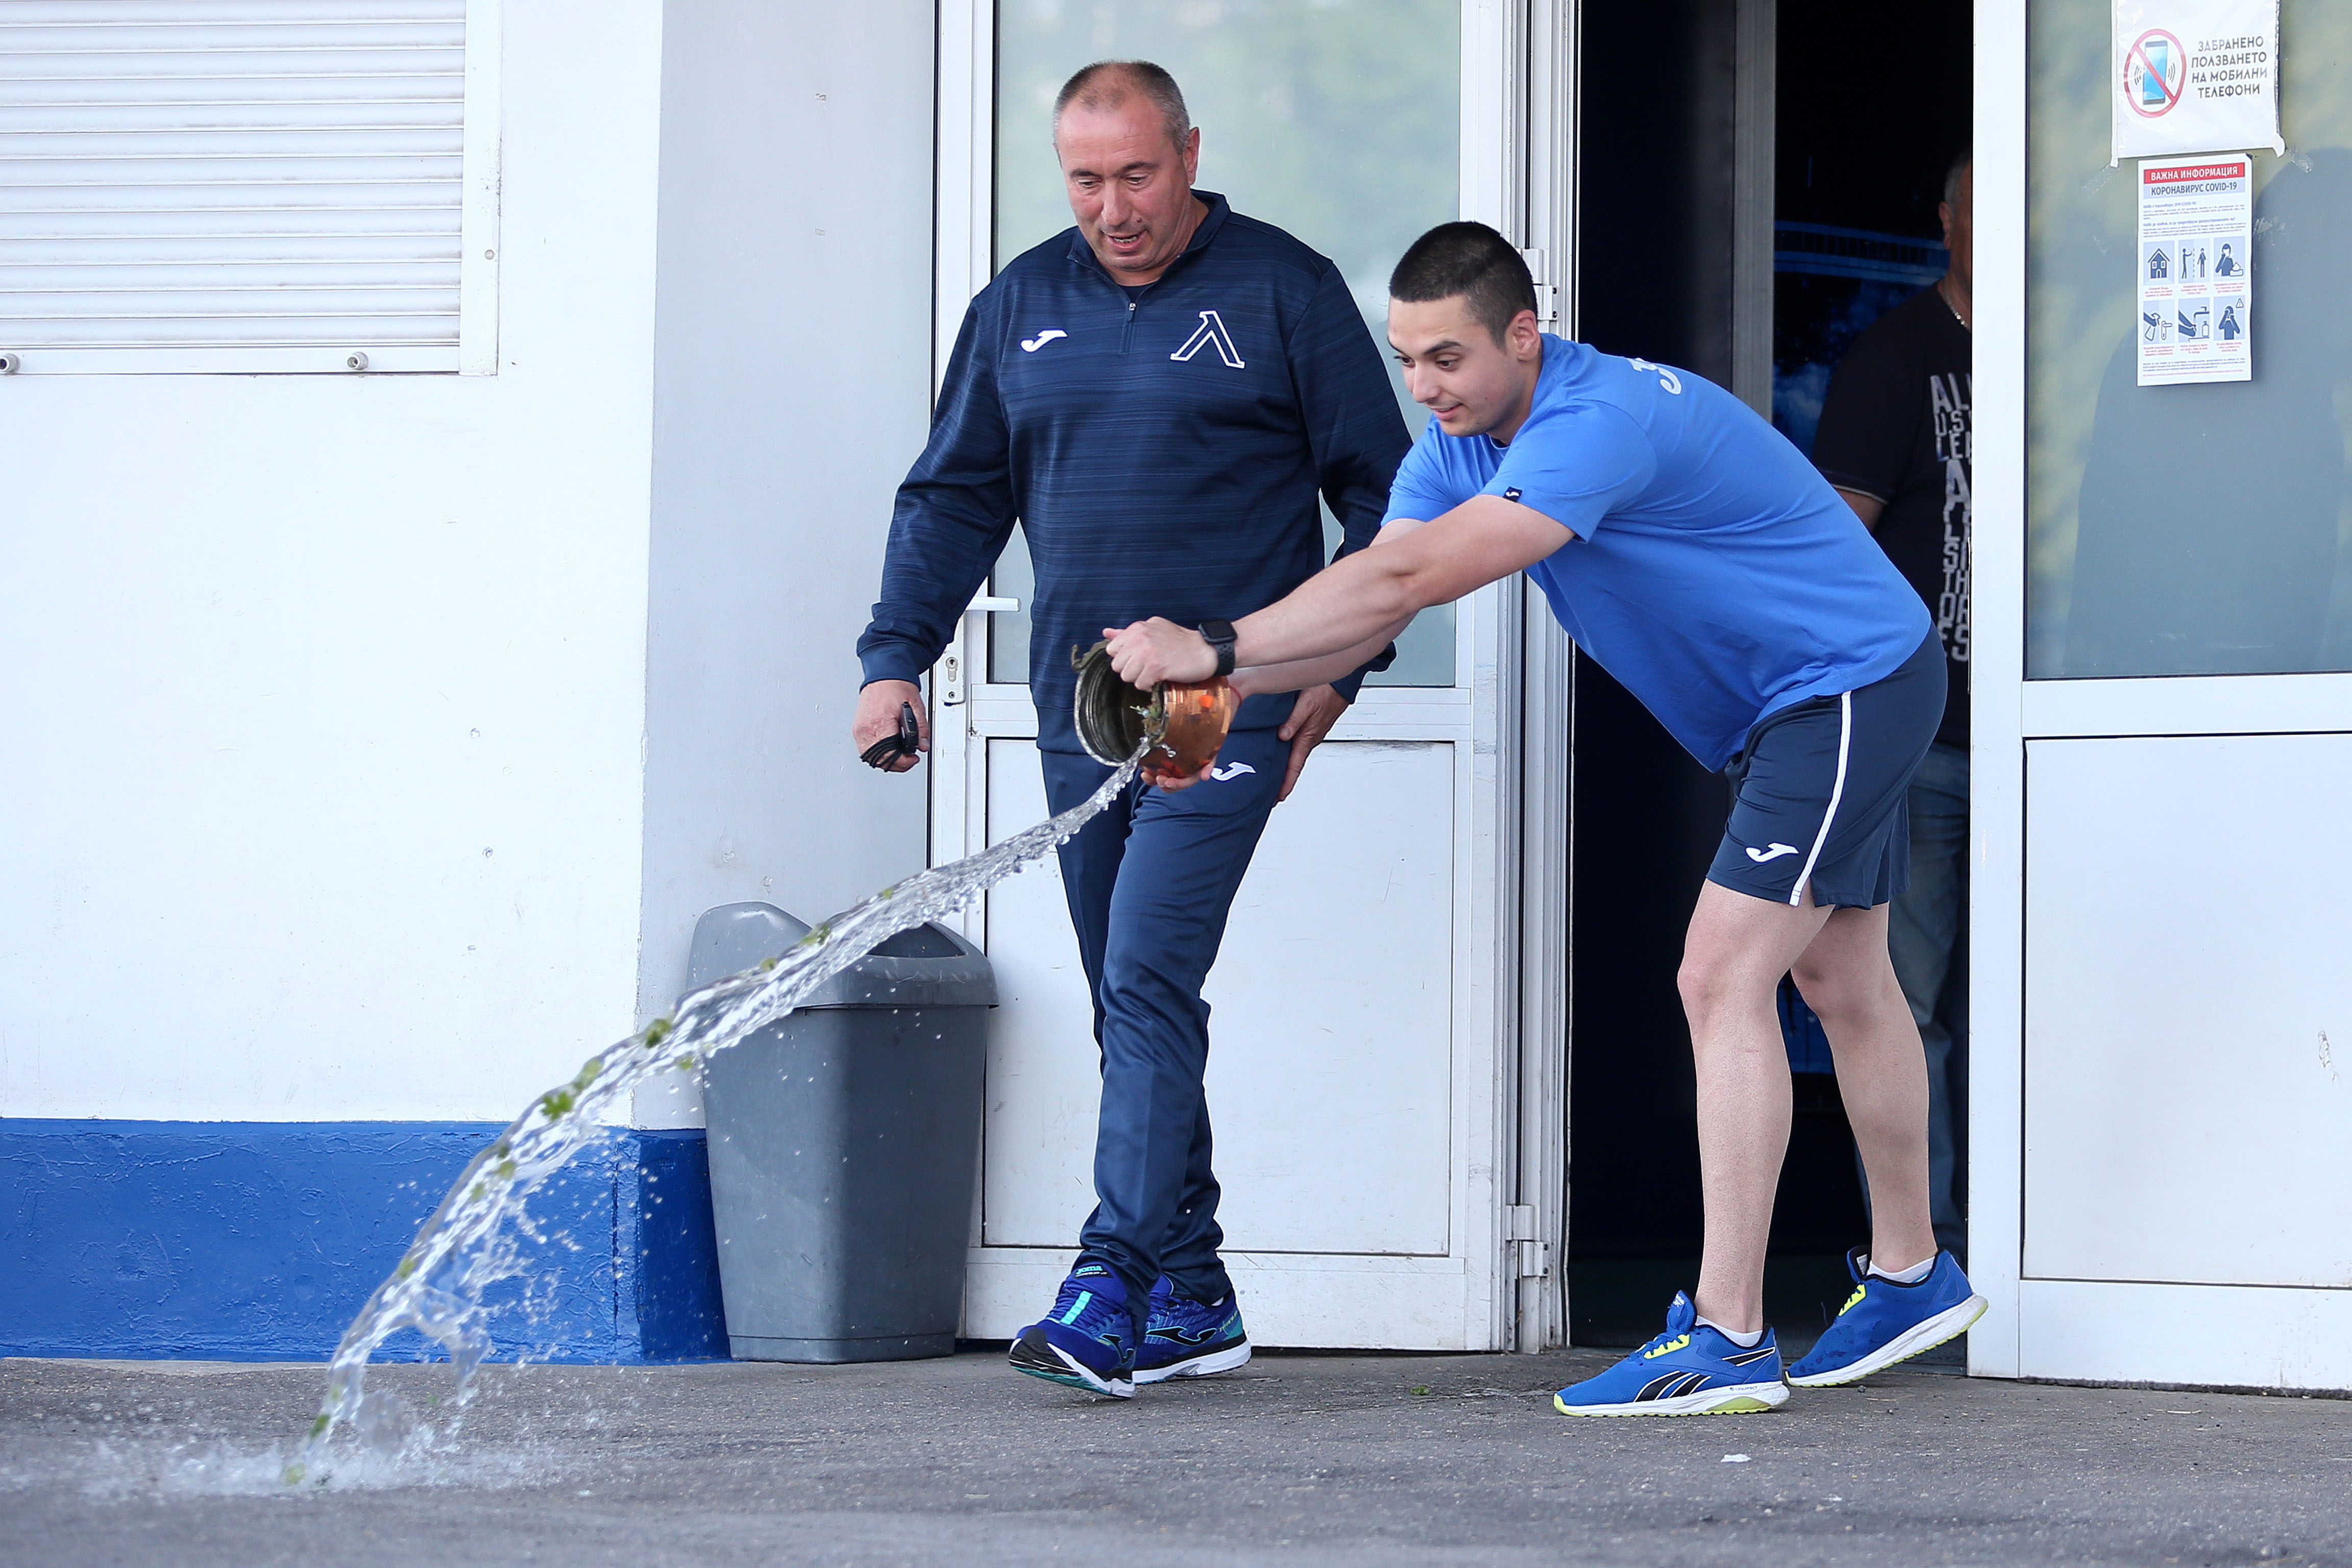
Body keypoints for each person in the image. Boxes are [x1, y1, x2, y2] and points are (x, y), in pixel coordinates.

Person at [1106, 222, 1986, 1416]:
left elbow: (1418, 583)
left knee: (1719, 976)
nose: (1426, 387)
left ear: (1524, 334)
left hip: (1844, 685)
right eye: (1408, 359)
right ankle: (1910, 1273)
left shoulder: (1594, 422)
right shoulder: (1457, 443)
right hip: (1804, 705)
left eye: (1449, 359)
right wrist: (1230, 696)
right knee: (1847, 983)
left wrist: (1210, 645)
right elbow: (1372, 589)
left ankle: (1728, 1335)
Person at [852, 60, 1407, 1399]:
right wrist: (893, 659)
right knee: (1130, 996)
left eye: (1137, 174)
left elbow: (1389, 493)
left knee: (1147, 980)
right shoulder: (1019, 306)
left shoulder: (1283, 289)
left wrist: (1345, 658)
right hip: (1084, 707)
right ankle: (1197, 1290)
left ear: (1191, 155)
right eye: (1086, 178)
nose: (1113, 206)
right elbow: (953, 500)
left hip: (1231, 700)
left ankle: (1112, 1282)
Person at [1810, 150, 1971, 1259]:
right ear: (1951, 219)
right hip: (1927, 745)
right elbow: (1835, 542)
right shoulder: (1896, 357)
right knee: (1902, 1006)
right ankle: (1925, 1249)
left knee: (2049, 1000)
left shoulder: (2067, 358)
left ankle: (2047, 1244)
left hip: (2059, 739)